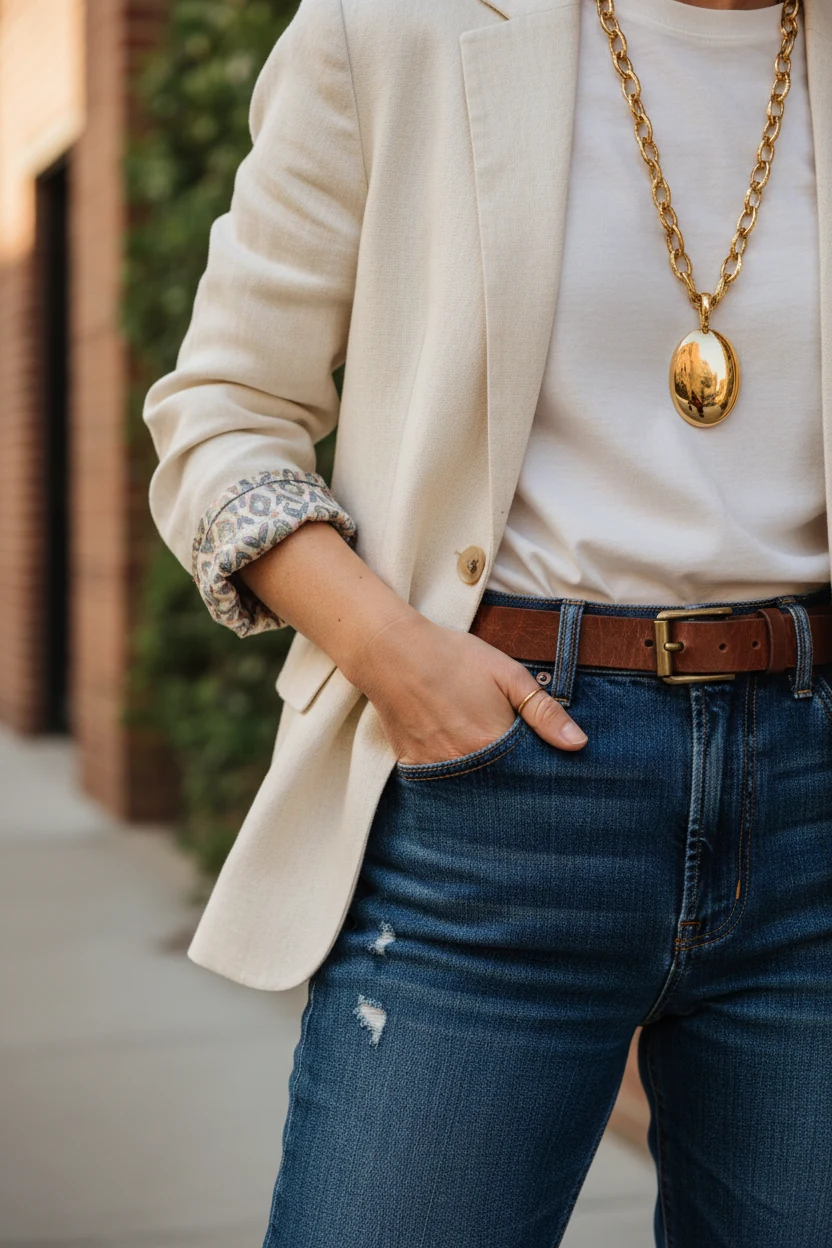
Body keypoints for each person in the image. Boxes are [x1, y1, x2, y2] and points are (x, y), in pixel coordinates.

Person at [142, 0, 832, 1242]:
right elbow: (223, 412)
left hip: (816, 798)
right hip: (496, 790)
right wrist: (398, 661)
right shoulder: (395, 23)